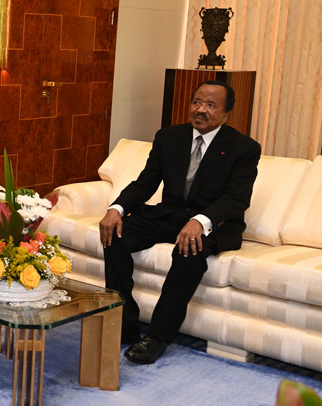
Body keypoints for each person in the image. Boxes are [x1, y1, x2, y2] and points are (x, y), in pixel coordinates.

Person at [99, 80, 261, 364]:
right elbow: (145, 183)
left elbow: (236, 200)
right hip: (170, 215)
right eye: (196, 102)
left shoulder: (243, 148)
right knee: (116, 234)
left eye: (211, 105)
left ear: (226, 114)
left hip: (215, 223)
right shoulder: (169, 137)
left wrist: (201, 220)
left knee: (189, 250)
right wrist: (117, 208)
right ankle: (124, 323)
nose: (200, 110)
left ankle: (158, 337)